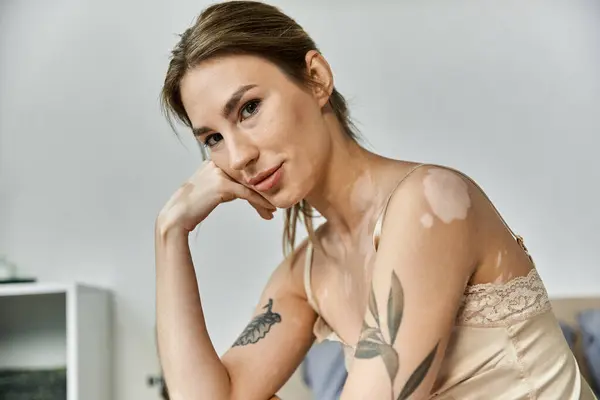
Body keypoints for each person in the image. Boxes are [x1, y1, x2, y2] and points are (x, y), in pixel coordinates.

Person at [154, 1, 596, 399]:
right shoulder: (306, 274)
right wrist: (171, 234)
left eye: (248, 108)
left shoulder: (430, 204)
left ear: (316, 78)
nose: (238, 156)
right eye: (213, 138)